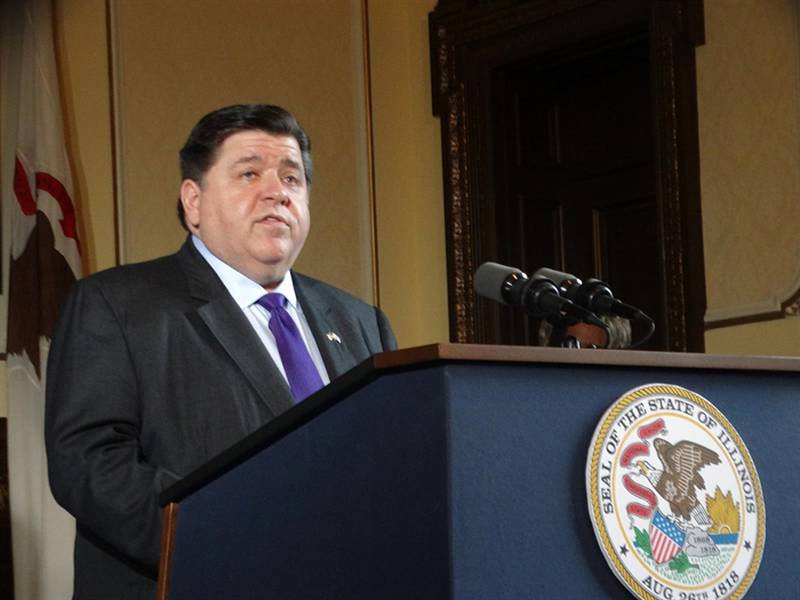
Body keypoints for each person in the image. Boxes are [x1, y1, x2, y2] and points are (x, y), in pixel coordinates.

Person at [45, 104, 396, 598]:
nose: (277, 192)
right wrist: (238, 537)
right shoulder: (117, 305)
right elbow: (89, 464)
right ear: (193, 202)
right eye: (250, 173)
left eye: (292, 179)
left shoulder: (361, 322)